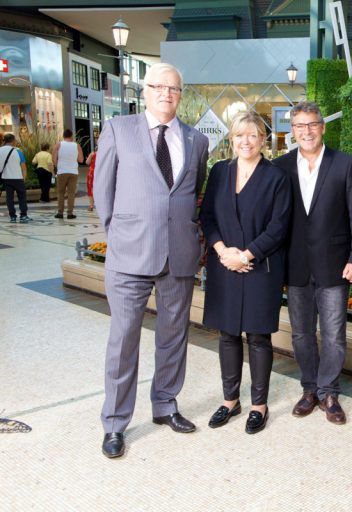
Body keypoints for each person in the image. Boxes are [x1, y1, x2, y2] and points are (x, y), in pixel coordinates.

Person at [94, 63, 210, 459]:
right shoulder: (118, 129)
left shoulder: (196, 141)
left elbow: (195, 195)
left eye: (173, 88)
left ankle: (165, 405)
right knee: (124, 339)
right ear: (144, 91)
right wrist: (118, 235)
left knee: (173, 336)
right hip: (129, 254)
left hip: (178, 254)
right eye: (158, 86)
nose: (165, 93)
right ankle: (114, 423)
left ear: (181, 95)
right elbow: (102, 192)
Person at [274, 102, 352, 425]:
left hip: (335, 264)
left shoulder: (344, 164)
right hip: (295, 264)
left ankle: (329, 392)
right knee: (301, 335)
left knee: (333, 335)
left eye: (312, 124)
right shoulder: (280, 166)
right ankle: (310, 388)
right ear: (293, 131)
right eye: (300, 126)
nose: (307, 131)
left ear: (323, 127)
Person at [200, 110, 291, 434]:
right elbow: (207, 216)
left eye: (252, 135)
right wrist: (224, 251)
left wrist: (247, 254)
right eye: (239, 135)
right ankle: (229, 401)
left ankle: (258, 405)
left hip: (258, 265)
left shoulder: (276, 177)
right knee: (227, 333)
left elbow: (279, 226)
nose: (246, 141)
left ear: (263, 139)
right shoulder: (220, 172)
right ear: (232, 139)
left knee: (257, 336)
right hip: (225, 264)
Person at [52, 128, 83, 219]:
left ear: (63, 136)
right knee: (71, 193)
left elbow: (54, 159)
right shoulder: (76, 145)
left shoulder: (58, 145)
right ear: (71, 136)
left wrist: (59, 165)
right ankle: (70, 213)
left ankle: (60, 213)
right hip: (73, 172)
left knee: (61, 193)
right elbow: (81, 160)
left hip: (62, 171)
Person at [0, 133, 30, 223]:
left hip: (6, 178)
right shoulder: (17, 151)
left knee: (9, 198)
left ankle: (12, 216)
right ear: (13, 141)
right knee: (22, 197)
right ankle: (23, 215)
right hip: (17, 177)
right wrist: (24, 178)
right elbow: (23, 166)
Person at [85, 143, 97, 211]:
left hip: (92, 172)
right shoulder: (104, 154)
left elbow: (87, 162)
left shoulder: (93, 154)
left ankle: (91, 205)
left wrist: (89, 157)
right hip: (101, 173)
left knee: (90, 189)